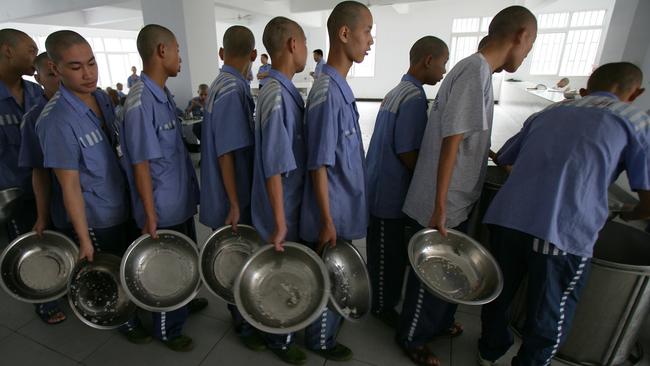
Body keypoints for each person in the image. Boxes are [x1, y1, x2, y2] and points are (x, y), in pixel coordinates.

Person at [477, 62, 649, 365]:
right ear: (636, 93)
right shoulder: (636, 119)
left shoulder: (548, 112)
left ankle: (488, 353)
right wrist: (631, 214)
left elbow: (504, 157)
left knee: (499, 294)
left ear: (584, 90)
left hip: (507, 218)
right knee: (550, 311)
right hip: (560, 231)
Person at [398, 6, 537, 365]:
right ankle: (412, 336)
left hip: (453, 196)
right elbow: (452, 143)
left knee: (448, 270)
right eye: (531, 44)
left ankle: (439, 323)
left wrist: (491, 154)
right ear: (520, 36)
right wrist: (440, 206)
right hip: (442, 199)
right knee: (430, 273)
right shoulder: (474, 73)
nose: (528, 52)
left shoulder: (480, 72)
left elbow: (467, 134)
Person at [35, 31, 134, 334]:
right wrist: (84, 239)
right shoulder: (57, 120)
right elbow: (69, 187)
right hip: (96, 216)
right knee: (109, 273)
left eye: (92, 63)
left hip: (122, 201)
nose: (88, 73)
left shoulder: (102, 98)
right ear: (55, 68)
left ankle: (135, 308)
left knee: (128, 266)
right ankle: (124, 322)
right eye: (76, 67)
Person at [119, 24, 206, 352]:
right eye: (178, 51)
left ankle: (184, 300)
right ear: (161, 51)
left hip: (177, 200)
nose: (181, 58)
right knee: (168, 269)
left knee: (186, 259)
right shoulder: (141, 102)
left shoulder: (162, 94)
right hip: (160, 207)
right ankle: (169, 328)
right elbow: (140, 164)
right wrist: (150, 214)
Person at [299, 1, 374, 362]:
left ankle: (323, 332)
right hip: (331, 212)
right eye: (367, 31)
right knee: (327, 277)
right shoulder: (327, 93)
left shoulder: (338, 87)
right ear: (345, 34)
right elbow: (319, 165)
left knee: (333, 274)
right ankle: (319, 339)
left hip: (343, 206)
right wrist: (327, 220)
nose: (370, 41)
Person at [365, 36, 449, 328]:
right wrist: (428, 181)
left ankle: (380, 297)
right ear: (428, 60)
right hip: (389, 192)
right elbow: (406, 150)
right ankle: (381, 306)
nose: (444, 71)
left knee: (381, 249)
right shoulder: (413, 98)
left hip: (377, 183)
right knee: (388, 254)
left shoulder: (397, 90)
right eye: (443, 63)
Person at [200, 25, 262, 351]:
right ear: (253, 56)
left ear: (222, 54)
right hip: (229, 196)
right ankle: (243, 324)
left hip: (222, 191)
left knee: (236, 257)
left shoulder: (221, 84)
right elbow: (227, 153)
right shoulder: (232, 91)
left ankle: (241, 315)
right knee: (237, 260)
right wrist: (236, 203)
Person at [251, 16, 309, 365]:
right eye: (303, 41)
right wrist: (279, 221)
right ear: (291, 45)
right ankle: (278, 339)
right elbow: (274, 165)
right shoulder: (275, 95)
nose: (304, 48)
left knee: (285, 273)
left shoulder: (283, 89)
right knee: (279, 275)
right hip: (280, 207)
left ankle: (281, 331)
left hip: (288, 202)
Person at [14, 49, 67, 325]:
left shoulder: (94, 103)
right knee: (49, 250)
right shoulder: (36, 118)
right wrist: (42, 214)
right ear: (39, 76)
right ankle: (48, 302)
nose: (59, 78)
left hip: (93, 201)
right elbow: (39, 172)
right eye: (50, 74)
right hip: (52, 199)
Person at [0, 29, 41, 242]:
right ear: (8, 51)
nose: (37, 57)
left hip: (42, 197)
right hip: (6, 204)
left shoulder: (37, 94)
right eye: (31, 50)